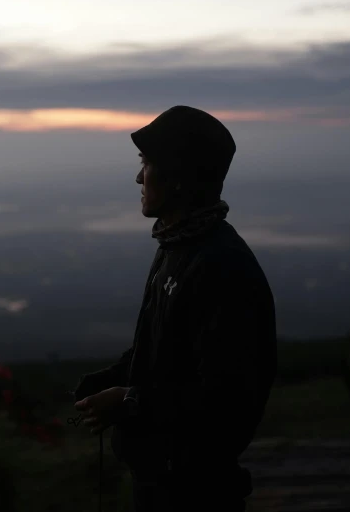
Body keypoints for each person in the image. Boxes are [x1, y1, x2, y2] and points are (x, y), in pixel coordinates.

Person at [74, 105, 277, 512]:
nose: (138, 177)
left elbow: (226, 398)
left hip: (194, 493)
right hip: (160, 481)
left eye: (146, 163)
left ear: (180, 178)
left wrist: (130, 400)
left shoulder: (221, 265)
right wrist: (114, 378)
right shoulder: (178, 248)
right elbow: (164, 347)